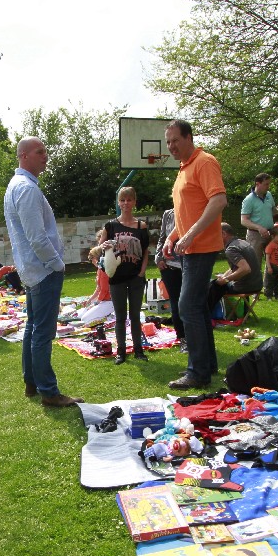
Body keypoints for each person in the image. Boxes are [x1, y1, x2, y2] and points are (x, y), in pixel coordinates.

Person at [3, 137, 82, 407]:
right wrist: (57, 264)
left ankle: (32, 383)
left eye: (45, 151)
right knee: (43, 333)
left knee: (33, 328)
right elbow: (37, 238)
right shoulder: (26, 188)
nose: (45, 156)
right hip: (43, 270)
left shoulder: (18, 185)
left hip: (32, 270)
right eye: (40, 152)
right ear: (24, 155)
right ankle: (48, 391)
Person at [163, 120, 228, 390]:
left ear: (189, 137)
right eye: (168, 142)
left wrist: (189, 235)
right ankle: (207, 365)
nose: (171, 146)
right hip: (189, 248)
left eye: (175, 140)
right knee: (197, 307)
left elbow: (219, 200)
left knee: (187, 306)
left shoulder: (204, 162)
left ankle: (197, 372)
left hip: (201, 248)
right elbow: (187, 213)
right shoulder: (183, 169)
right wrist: (173, 236)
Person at [93, 186, 150, 365]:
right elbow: (97, 251)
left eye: (129, 200)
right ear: (118, 203)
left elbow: (146, 251)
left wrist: (142, 272)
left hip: (136, 277)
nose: (126, 203)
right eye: (122, 200)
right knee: (120, 316)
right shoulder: (110, 226)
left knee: (135, 315)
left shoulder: (141, 226)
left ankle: (138, 350)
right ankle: (121, 352)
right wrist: (102, 248)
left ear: (134, 202)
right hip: (116, 278)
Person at [205, 223, 262, 313]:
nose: (214, 238)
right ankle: (244, 313)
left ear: (224, 234)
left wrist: (225, 280)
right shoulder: (242, 243)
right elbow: (235, 268)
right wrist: (224, 276)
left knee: (213, 286)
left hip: (245, 287)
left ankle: (206, 314)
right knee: (218, 282)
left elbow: (245, 269)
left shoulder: (231, 249)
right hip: (257, 285)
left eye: (215, 235)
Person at [154, 207, 186, 351]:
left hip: (188, 264)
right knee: (175, 301)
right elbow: (162, 238)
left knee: (188, 302)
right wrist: (158, 257)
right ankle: (182, 337)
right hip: (169, 266)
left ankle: (195, 336)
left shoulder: (190, 210)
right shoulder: (168, 214)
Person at [262, 226, 278, 301]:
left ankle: (276, 295)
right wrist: (269, 267)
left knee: (277, 282)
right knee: (269, 282)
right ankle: (269, 296)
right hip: (272, 266)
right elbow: (267, 257)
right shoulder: (270, 246)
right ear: (273, 236)